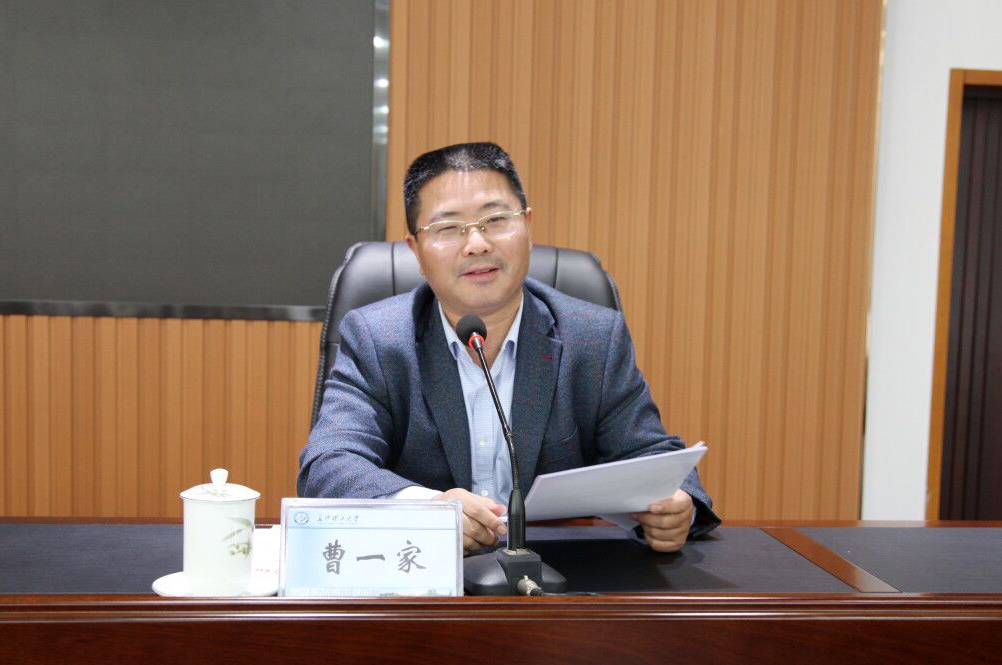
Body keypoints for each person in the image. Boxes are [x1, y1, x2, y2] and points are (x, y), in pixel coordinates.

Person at [298, 141, 720, 552]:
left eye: (496, 220)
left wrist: (677, 505)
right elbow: (330, 463)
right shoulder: (378, 338)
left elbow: (649, 452)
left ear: (527, 227)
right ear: (417, 251)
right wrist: (429, 509)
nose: (477, 244)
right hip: (424, 570)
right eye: (448, 228)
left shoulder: (593, 337)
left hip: (559, 575)